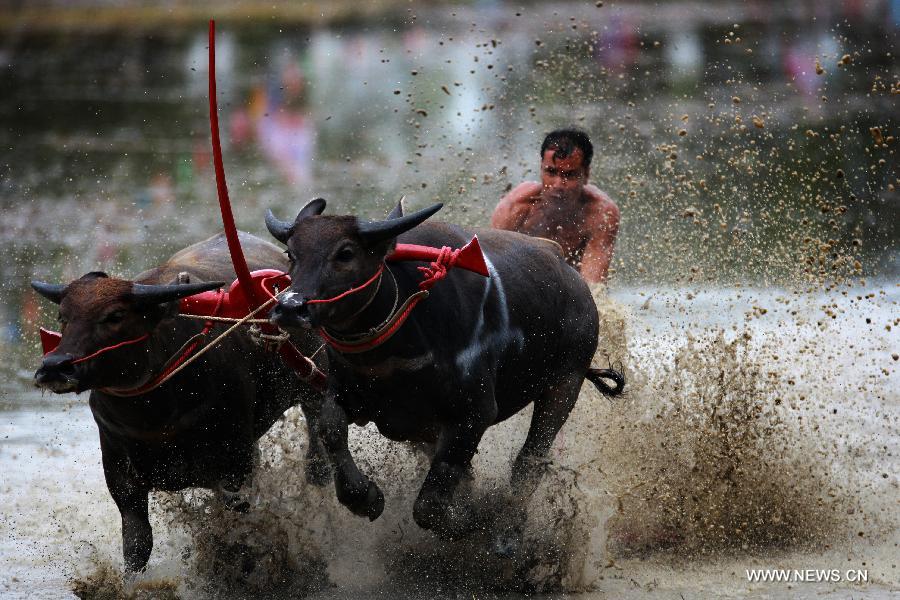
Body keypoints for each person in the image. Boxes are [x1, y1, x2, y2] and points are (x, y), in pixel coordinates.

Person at [491, 129, 620, 284]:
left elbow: (593, 287)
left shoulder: (601, 213)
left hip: (573, 288)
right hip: (524, 284)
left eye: (569, 175)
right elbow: (494, 269)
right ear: (541, 168)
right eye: (551, 172)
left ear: (586, 175)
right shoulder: (515, 206)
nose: (558, 184)